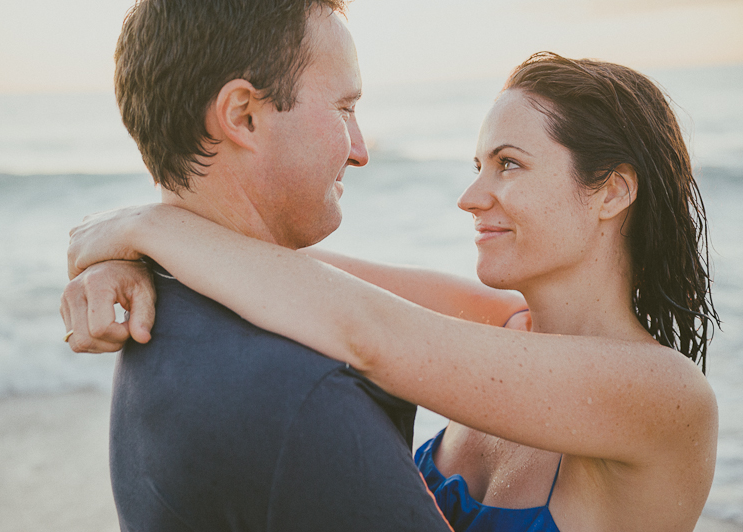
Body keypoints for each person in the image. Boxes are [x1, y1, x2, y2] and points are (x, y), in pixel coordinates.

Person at [63, 52, 721, 531]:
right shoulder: (497, 324)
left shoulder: (663, 397)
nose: (470, 198)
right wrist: (126, 261)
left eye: (509, 165)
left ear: (611, 191)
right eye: (476, 167)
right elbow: (269, 268)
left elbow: (364, 332)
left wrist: (142, 226)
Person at [59, 0, 488, 530]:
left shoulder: (173, 312)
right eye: (344, 108)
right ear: (243, 115)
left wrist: (146, 234)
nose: (360, 150)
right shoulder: (307, 396)